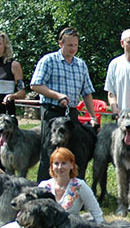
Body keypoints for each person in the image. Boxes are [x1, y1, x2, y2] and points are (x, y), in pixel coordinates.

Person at [0, 147, 106, 228]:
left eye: (64, 163)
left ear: (71, 165)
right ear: (51, 166)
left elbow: (96, 211)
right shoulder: (44, 185)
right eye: (56, 164)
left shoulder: (79, 186)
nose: (60, 167)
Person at [30, 27, 98, 182]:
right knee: (50, 153)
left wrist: (93, 116)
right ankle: (42, 191)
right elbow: (35, 85)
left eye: (75, 45)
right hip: (52, 111)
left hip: (71, 114)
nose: (73, 49)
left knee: (72, 154)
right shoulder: (49, 60)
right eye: (69, 45)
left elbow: (87, 92)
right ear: (60, 43)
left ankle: (71, 192)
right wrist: (57, 95)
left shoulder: (81, 65)